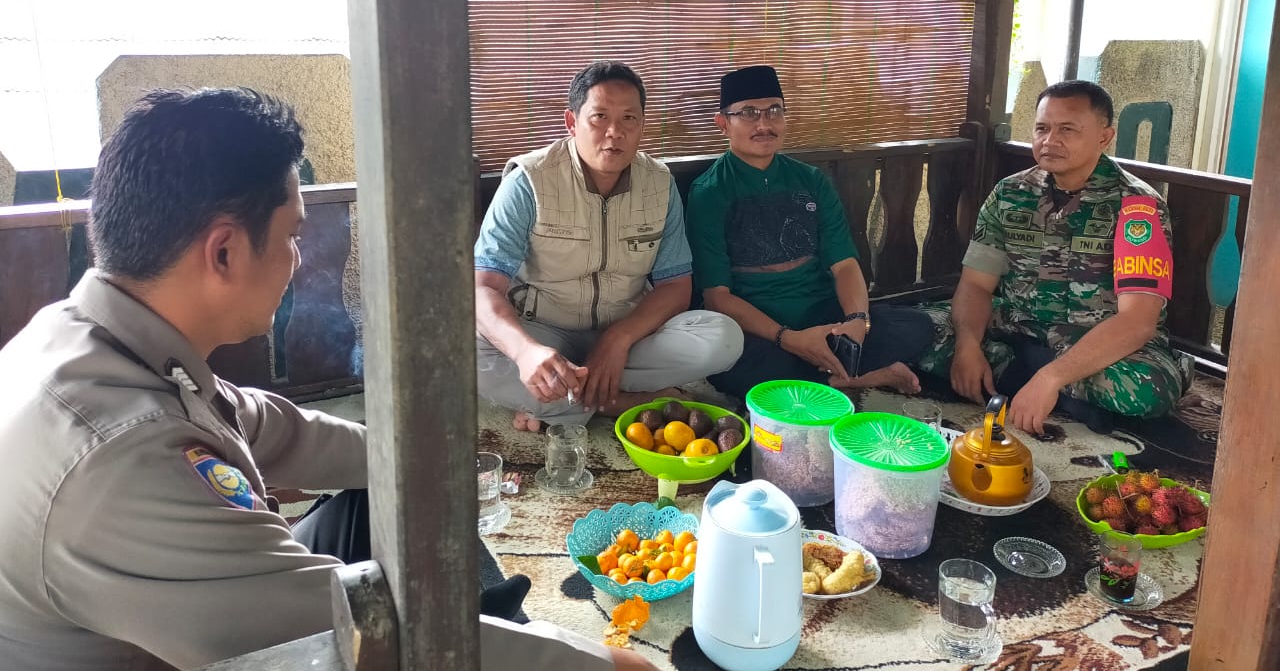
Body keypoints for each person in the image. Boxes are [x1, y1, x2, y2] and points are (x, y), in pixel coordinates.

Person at [0, 88, 652, 671]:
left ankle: (504, 628)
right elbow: (348, 633)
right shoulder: (119, 460)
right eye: (291, 236)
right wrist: (600, 664)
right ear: (223, 252)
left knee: (380, 494)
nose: (299, 258)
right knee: (384, 628)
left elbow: (262, 422)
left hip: (172, 600)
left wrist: (426, 465)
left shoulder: (92, 331)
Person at [475, 61, 743, 432]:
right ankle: (621, 403)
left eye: (629, 118)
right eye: (599, 117)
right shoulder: (529, 182)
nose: (614, 132)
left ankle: (563, 404)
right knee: (462, 349)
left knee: (722, 337)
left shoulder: (658, 183)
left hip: (629, 338)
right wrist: (525, 352)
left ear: (642, 125)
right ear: (572, 122)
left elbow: (675, 287)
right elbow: (484, 287)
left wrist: (618, 339)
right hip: (544, 335)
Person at [917, 80, 1194, 434]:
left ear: (1104, 137)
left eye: (1067, 130)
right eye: (1042, 128)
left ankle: (1032, 380)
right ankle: (1053, 390)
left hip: (1095, 346)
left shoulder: (1137, 206)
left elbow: (1137, 323)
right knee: (921, 331)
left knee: (1146, 390)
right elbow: (975, 284)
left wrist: (1052, 376)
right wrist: (968, 347)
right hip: (1015, 330)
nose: (1050, 141)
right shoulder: (1010, 193)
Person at [685, 65, 934, 401]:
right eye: (748, 113)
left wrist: (858, 322)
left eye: (774, 110)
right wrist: (789, 338)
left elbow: (844, 264)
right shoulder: (710, 192)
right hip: (761, 329)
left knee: (917, 327)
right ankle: (856, 377)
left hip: (822, 316)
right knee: (733, 367)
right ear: (723, 123)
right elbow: (717, 296)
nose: (764, 124)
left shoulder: (811, 181)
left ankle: (830, 374)